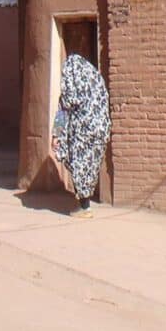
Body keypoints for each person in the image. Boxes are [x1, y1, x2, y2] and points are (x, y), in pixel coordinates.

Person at [52, 54, 111, 217]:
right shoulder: (97, 83)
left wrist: (56, 135)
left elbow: (64, 108)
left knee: (79, 165)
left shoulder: (72, 87)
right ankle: (85, 203)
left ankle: (84, 207)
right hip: (100, 132)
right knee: (89, 167)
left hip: (81, 135)